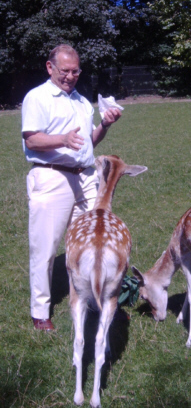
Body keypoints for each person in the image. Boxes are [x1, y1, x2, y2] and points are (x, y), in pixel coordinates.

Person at [21, 44, 122, 331]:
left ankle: (94, 301)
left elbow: (89, 141)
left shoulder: (81, 101)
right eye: (64, 70)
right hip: (52, 178)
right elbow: (32, 140)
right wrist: (61, 140)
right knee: (46, 247)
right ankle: (40, 312)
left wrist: (104, 124)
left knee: (94, 242)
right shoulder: (37, 97)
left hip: (85, 178)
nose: (70, 76)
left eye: (75, 71)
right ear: (49, 67)